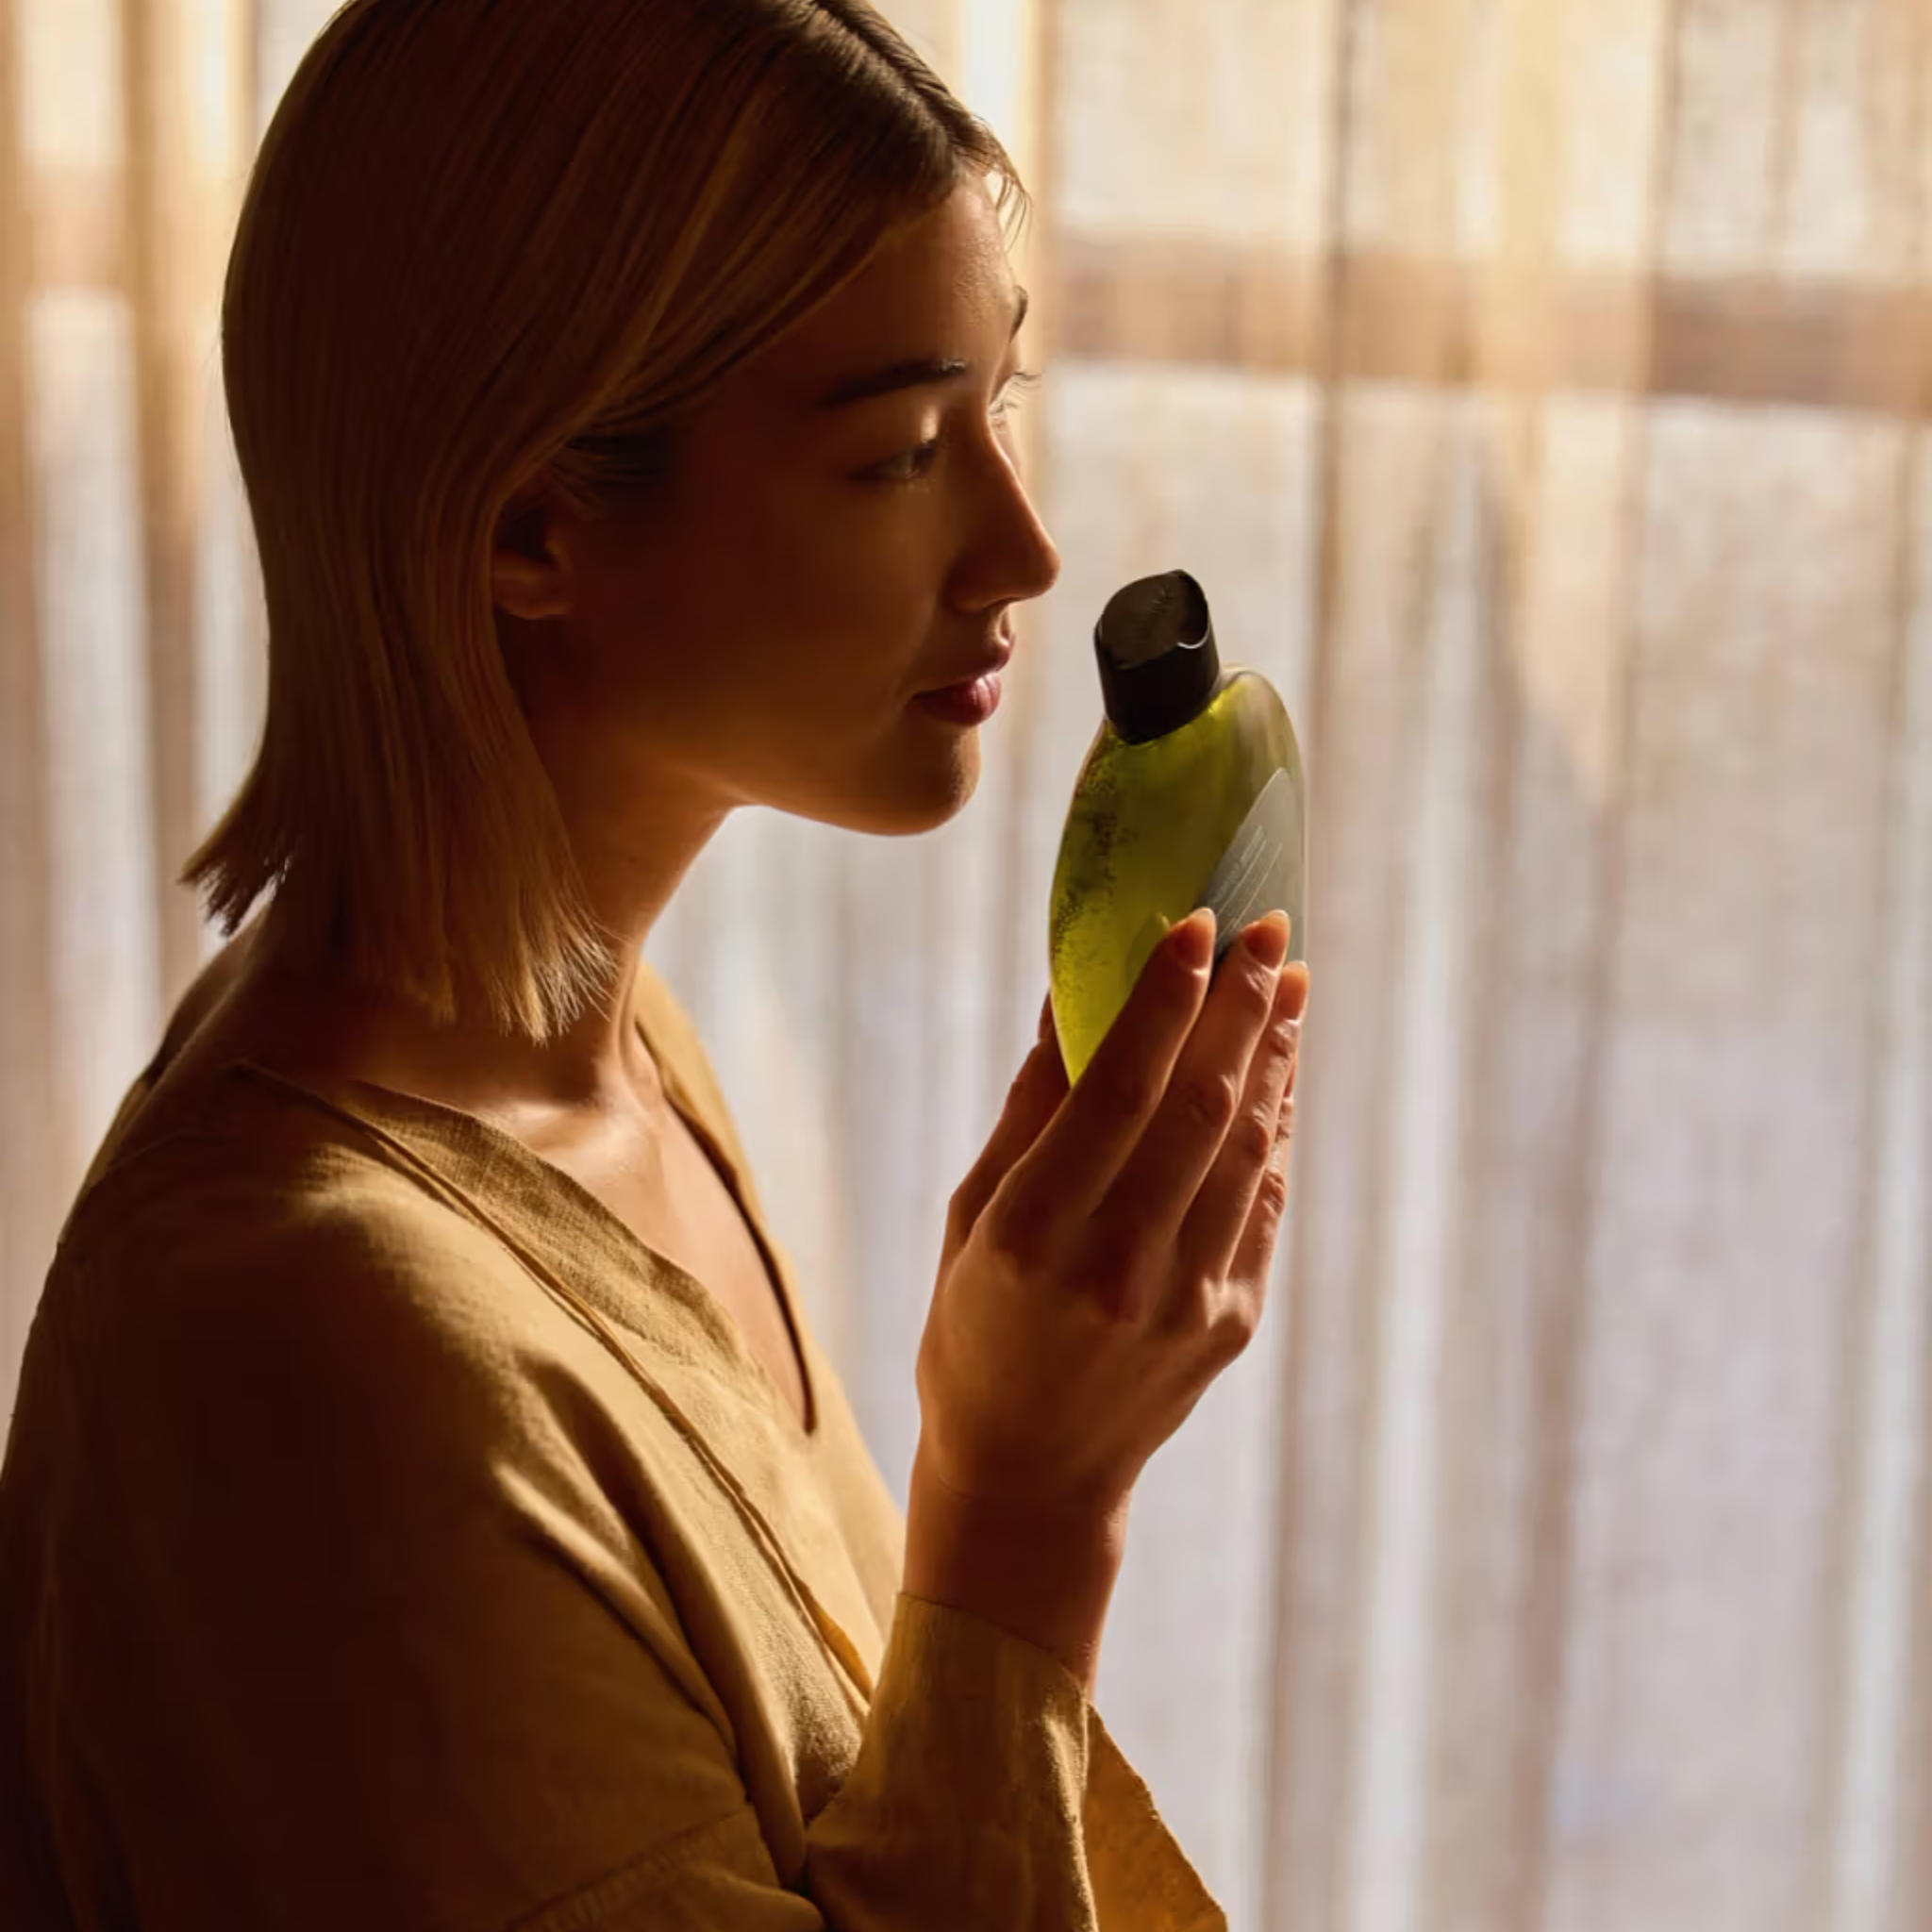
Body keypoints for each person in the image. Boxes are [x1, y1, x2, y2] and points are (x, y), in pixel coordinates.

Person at [0, 1, 1311, 1925]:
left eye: (1000, 410)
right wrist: (1027, 1501)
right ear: (534, 524)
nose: (1022, 550)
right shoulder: (305, 1339)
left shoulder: (601, 1065)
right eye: (897, 454)